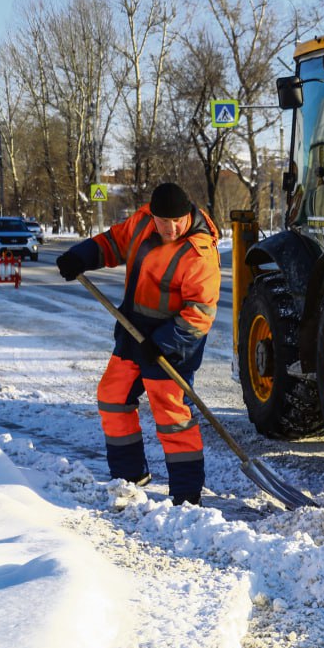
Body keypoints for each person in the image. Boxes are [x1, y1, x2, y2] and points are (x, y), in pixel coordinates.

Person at [55, 182, 221, 506]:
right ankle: (128, 477)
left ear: (187, 215)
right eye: (163, 221)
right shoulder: (142, 222)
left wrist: (162, 343)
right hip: (133, 329)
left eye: (177, 221)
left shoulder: (199, 252)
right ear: (153, 215)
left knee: (171, 413)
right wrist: (80, 257)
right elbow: (113, 243)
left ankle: (187, 495)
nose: (170, 228)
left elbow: (200, 313)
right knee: (112, 395)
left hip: (174, 340)